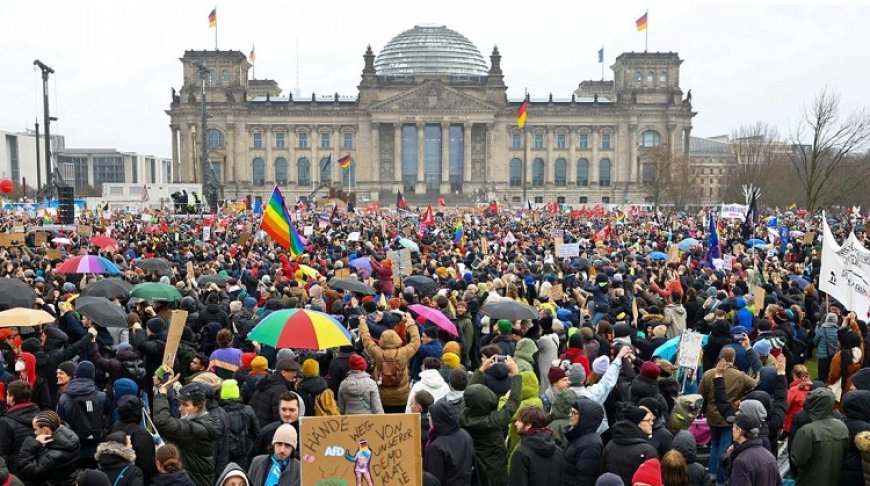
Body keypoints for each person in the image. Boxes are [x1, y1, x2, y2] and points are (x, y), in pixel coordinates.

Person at [698, 347, 756, 484]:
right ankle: (721, 479)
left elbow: (700, 395)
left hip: (712, 416)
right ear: (734, 359)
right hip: (729, 417)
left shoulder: (708, 374)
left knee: (714, 445)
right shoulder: (740, 376)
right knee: (724, 448)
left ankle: (712, 474)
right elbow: (755, 386)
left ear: (720, 357)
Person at [461, 356, 522, 486]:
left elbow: (468, 394)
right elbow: (514, 401)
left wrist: (481, 370)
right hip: (496, 469)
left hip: (475, 468)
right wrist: (516, 374)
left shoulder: (463, 415)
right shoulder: (494, 420)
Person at [152, 376, 222, 486]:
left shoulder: (197, 428)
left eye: (185, 405)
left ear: (198, 406)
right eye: (180, 404)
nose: (180, 408)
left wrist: (162, 393)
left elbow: (162, 421)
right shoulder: (202, 422)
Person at [358, 315, 421, 413]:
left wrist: (362, 323)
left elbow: (366, 339)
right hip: (402, 396)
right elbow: (416, 341)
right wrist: (411, 324)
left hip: (382, 396)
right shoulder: (404, 352)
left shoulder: (377, 352)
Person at [790, 387, 849, 486]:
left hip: (810, 480)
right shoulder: (842, 427)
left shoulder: (807, 431)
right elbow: (845, 454)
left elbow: (797, 460)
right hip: (835, 480)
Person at [56, 360, 108, 469]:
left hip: (74, 447)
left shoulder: (65, 397)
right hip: (97, 446)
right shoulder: (101, 396)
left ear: (76, 374)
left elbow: (60, 424)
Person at [16, 410, 81, 486]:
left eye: (36, 429)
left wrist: (29, 448)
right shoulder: (69, 438)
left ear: (44, 430)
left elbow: (25, 471)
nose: (35, 432)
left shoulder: (53, 454)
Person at [602, 406, 658, 485]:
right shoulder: (648, 451)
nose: (652, 423)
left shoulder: (610, 445)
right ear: (637, 423)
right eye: (648, 420)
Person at [508, 405, 563, 486]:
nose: (516, 423)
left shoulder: (521, 454)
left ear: (528, 425)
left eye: (519, 421)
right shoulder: (558, 451)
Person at [424, 400, 474, 485]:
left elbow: (434, 479)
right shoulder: (464, 434)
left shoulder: (436, 446)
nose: (428, 418)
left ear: (437, 419)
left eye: (429, 416)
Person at [109, 395, 156, 483]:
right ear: (137, 412)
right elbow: (147, 464)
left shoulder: (113, 428)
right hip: (135, 480)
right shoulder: (141, 434)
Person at [0, 380, 41, 476]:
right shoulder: (39, 413)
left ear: (12, 397)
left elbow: (2, 452)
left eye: (7, 394)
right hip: (35, 465)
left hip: (15, 470)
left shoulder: (5, 422)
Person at [560, 397, 604, 486]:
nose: (570, 415)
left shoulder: (591, 444)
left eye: (574, 413)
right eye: (570, 411)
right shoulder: (577, 436)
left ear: (585, 417)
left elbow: (586, 479)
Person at [726, 413, 779, 486]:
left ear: (739, 431)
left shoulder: (741, 461)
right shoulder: (770, 456)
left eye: (734, 427)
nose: (732, 429)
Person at [248, 358, 304, 426]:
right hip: (270, 430)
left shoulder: (269, 382)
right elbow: (280, 416)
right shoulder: (280, 390)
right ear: (283, 373)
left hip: (261, 427)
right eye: (292, 372)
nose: (295, 375)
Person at [251, 392, 304, 461]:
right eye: (283, 409)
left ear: (300, 410)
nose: (287, 414)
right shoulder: (267, 432)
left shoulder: (308, 434)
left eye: (292, 410)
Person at [220, 379, 260, 470]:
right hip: (245, 455)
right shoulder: (248, 410)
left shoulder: (219, 413)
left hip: (226, 456)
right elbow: (257, 433)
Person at [813, 312, 840, 383]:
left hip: (822, 356)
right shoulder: (838, 331)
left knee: (822, 376)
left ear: (826, 319)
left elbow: (815, 342)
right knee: (831, 375)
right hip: (834, 356)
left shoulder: (821, 329)